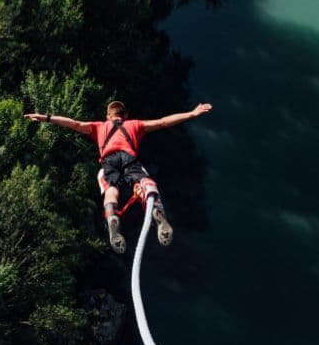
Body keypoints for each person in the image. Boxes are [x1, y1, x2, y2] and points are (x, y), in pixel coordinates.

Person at [25, 100, 212, 253]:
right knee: (145, 182)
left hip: (109, 161)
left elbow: (74, 123)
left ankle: (112, 216)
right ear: (126, 116)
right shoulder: (135, 124)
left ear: (108, 116)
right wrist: (191, 114)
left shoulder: (99, 126)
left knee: (111, 190)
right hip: (129, 158)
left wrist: (45, 117)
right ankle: (157, 211)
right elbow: (163, 121)